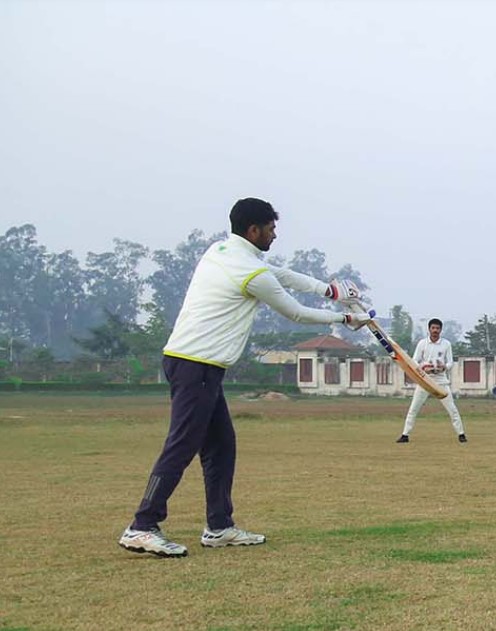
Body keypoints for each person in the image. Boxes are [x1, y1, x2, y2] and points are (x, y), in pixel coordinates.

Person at [119, 197, 372, 558]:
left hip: (195, 364)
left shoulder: (223, 251)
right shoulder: (250, 273)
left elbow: (281, 274)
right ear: (253, 230)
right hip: (196, 365)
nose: (274, 235)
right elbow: (295, 313)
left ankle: (219, 526)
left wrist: (328, 290)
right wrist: (346, 320)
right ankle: (142, 526)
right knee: (182, 445)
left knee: (221, 446)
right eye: (270, 228)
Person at [397, 319, 467, 444]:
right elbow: (414, 361)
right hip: (425, 381)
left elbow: (450, 362)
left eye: (437, 328)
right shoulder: (422, 343)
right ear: (429, 329)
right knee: (413, 409)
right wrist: (424, 368)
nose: (435, 330)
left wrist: (444, 367)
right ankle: (405, 435)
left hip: (441, 381)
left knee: (452, 409)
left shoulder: (446, 344)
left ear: (441, 330)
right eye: (433, 328)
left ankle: (461, 435)